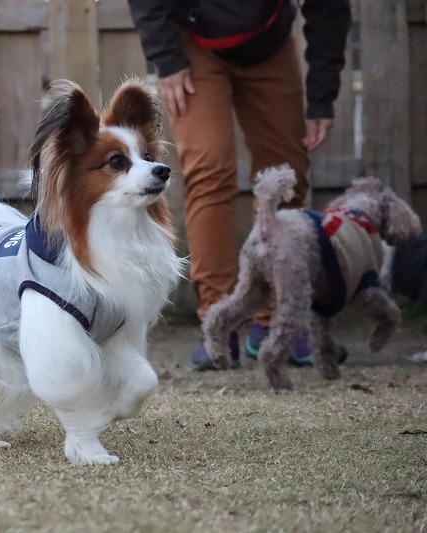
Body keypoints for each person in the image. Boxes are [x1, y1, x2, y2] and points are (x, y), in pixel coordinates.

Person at [127, 0, 352, 369]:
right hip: (194, 43)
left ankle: (279, 321)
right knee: (210, 173)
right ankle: (218, 325)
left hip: (269, 43)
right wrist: (167, 57)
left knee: (287, 177)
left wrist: (322, 97)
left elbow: (329, 7)